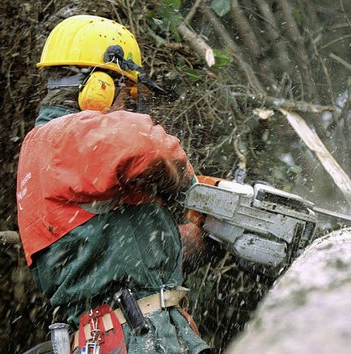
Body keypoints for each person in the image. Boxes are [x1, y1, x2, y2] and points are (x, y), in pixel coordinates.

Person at [16, 14, 209, 354]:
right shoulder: (61, 137)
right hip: (133, 336)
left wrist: (195, 230)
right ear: (100, 86)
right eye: (127, 90)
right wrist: (189, 185)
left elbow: (111, 249)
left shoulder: (68, 151)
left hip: (133, 332)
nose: (128, 105)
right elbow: (151, 148)